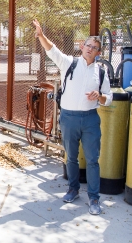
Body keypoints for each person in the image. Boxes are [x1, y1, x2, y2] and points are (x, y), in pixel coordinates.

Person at [33, 20, 112, 215]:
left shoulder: (101, 72)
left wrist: (99, 96)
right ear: (82, 47)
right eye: (88, 45)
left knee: (93, 160)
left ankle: (94, 198)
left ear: (98, 53)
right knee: (72, 158)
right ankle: (73, 189)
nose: (90, 49)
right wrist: (41, 35)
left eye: (95, 48)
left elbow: (108, 98)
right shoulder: (69, 63)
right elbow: (53, 51)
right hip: (69, 117)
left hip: (90, 119)